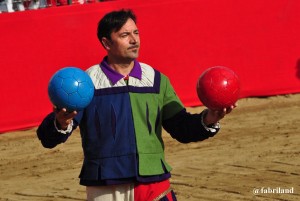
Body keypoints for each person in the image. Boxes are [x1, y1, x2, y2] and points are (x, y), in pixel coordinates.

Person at [37, 9, 237, 201]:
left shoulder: (157, 80)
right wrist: (60, 123)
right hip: (106, 186)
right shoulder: (87, 83)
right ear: (106, 43)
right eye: (125, 35)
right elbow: (48, 138)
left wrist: (210, 118)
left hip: (153, 181)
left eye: (136, 33)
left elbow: (181, 127)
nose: (134, 40)